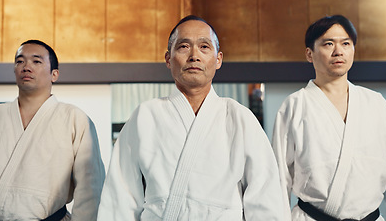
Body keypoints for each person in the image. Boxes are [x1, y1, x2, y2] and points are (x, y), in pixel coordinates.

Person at [98, 15, 287, 220]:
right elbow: (120, 199)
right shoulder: (145, 116)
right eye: (184, 47)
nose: (194, 56)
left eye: (204, 47)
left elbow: (265, 199)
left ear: (218, 59)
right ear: (168, 59)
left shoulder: (240, 118)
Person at [0, 40, 105, 220]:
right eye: (20, 61)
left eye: (36, 61)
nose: (26, 66)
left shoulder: (75, 119)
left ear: (54, 74)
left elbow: (90, 189)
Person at [272, 15, 386, 221]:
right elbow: (280, 176)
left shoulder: (376, 103)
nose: (338, 51)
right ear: (309, 54)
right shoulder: (294, 106)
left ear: (353, 49)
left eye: (346, 43)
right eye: (328, 44)